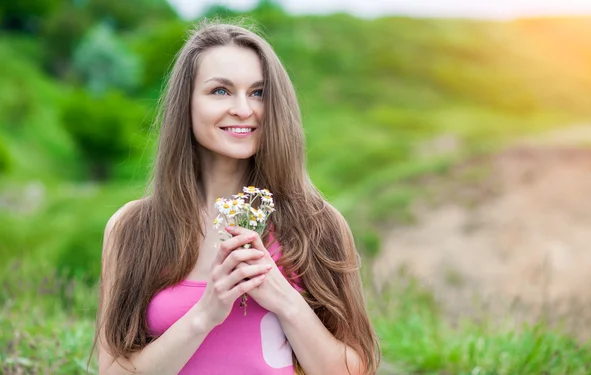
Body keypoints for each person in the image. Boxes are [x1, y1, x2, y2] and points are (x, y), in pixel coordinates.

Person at [93, 20, 380, 375]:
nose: (244, 109)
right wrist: (205, 315)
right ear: (186, 104)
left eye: (258, 92)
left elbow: (354, 371)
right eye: (220, 91)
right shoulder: (132, 228)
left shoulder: (319, 225)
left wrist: (285, 300)